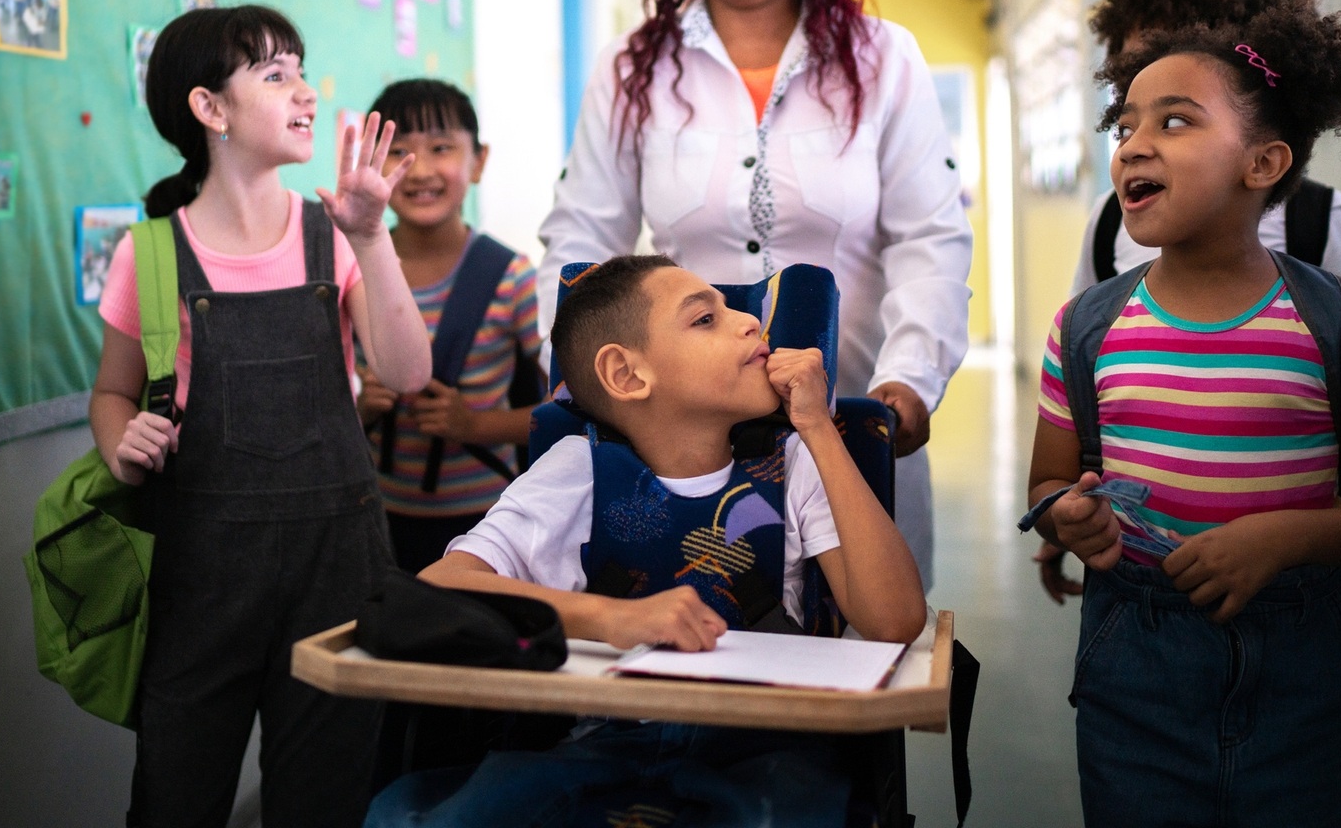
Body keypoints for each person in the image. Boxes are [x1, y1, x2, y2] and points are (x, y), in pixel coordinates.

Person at [1022, 0, 1341, 826]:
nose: (1134, 145)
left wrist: (1288, 538)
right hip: (1133, 667)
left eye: (1174, 121)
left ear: (1262, 164)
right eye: (1124, 127)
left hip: (1302, 666)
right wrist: (1064, 517)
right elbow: (1048, 480)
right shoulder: (1084, 329)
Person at [537, 0, 971, 593]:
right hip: (676, 438)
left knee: (856, 653)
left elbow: (930, 238)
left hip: (847, 423)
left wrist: (908, 382)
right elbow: (581, 239)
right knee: (691, 649)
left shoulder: (882, 60)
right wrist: (576, 374)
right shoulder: (631, 67)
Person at [365, 254, 927, 828]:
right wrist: (610, 618)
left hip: (767, 748)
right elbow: (444, 585)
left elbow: (895, 621)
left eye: (733, 309)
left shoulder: (793, 464)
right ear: (627, 375)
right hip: (603, 739)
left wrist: (816, 430)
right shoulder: (576, 469)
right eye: (704, 319)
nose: (750, 323)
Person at [88, 5, 432, 828]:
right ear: (210, 109)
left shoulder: (335, 233)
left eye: (301, 69)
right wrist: (119, 444)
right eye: (274, 75)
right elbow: (110, 394)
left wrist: (373, 236)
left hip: (336, 566)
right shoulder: (152, 253)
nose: (304, 91)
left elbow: (408, 373)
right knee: (176, 796)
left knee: (324, 801)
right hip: (201, 575)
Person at [1036, 0, 1341, 603]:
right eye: (1128, 98)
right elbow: (1091, 390)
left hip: (1296, 593)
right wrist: (1063, 524)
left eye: (1178, 109)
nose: (1138, 139)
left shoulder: (1317, 224)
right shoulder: (1110, 224)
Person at [354, 78, 541, 572]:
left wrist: (476, 425)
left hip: (488, 527)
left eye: (441, 148)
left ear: (478, 161)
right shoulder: (351, 267)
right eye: (397, 151)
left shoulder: (511, 276)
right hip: (374, 519)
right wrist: (361, 410)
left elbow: (568, 411)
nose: (419, 170)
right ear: (371, 164)